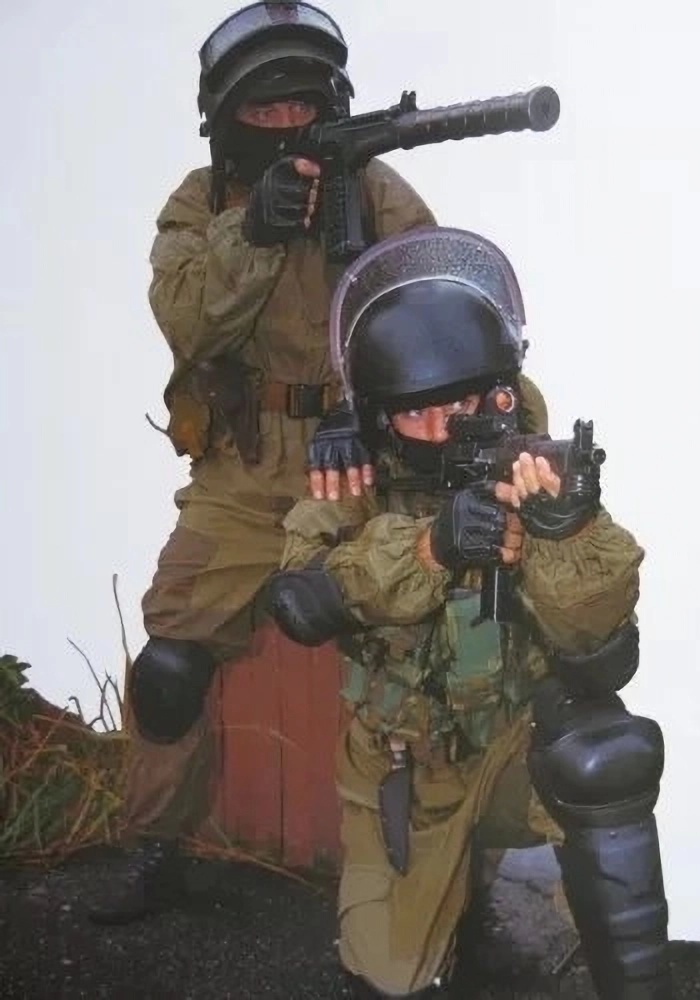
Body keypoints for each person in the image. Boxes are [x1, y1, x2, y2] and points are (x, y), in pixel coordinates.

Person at [89, 2, 435, 925]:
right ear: (226, 116)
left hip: (365, 460)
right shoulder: (201, 205)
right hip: (244, 470)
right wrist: (257, 231)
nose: (285, 124)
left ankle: (442, 873)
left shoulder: (378, 191)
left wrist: (370, 414)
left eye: (301, 106)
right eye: (263, 109)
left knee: (430, 647)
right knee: (169, 663)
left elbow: (432, 312)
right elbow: (189, 323)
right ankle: (158, 849)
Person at [268, 227, 672, 998]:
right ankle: (457, 895)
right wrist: (428, 549)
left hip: (519, 742)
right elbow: (297, 598)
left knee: (607, 754)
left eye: (461, 403)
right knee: (391, 978)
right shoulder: (354, 482)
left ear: (497, 392)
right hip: (407, 763)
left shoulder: (533, 470)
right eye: (416, 413)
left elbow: (604, 650)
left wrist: (561, 533)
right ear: (380, 416)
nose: (442, 428)